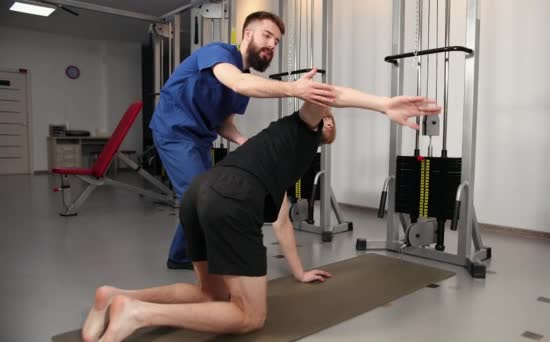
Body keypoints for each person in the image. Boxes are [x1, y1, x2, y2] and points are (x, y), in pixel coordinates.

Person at [82, 91, 441, 342]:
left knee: (210, 294)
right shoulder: (300, 127)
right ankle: (136, 314)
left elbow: (281, 219)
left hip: (201, 191)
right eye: (327, 120)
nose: (329, 123)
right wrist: (382, 105)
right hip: (229, 197)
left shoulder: (286, 155)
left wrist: (299, 272)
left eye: (331, 122)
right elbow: (324, 98)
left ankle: (115, 295)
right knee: (250, 317)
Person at [150, 11, 337, 270]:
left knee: (203, 196)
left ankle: (181, 256)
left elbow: (223, 123)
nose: (272, 44)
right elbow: (237, 83)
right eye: (267, 35)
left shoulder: (247, 77)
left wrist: (243, 140)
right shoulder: (218, 53)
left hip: (201, 139)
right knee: (202, 197)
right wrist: (293, 88)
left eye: (276, 41)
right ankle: (202, 259)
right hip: (174, 131)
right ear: (248, 33)